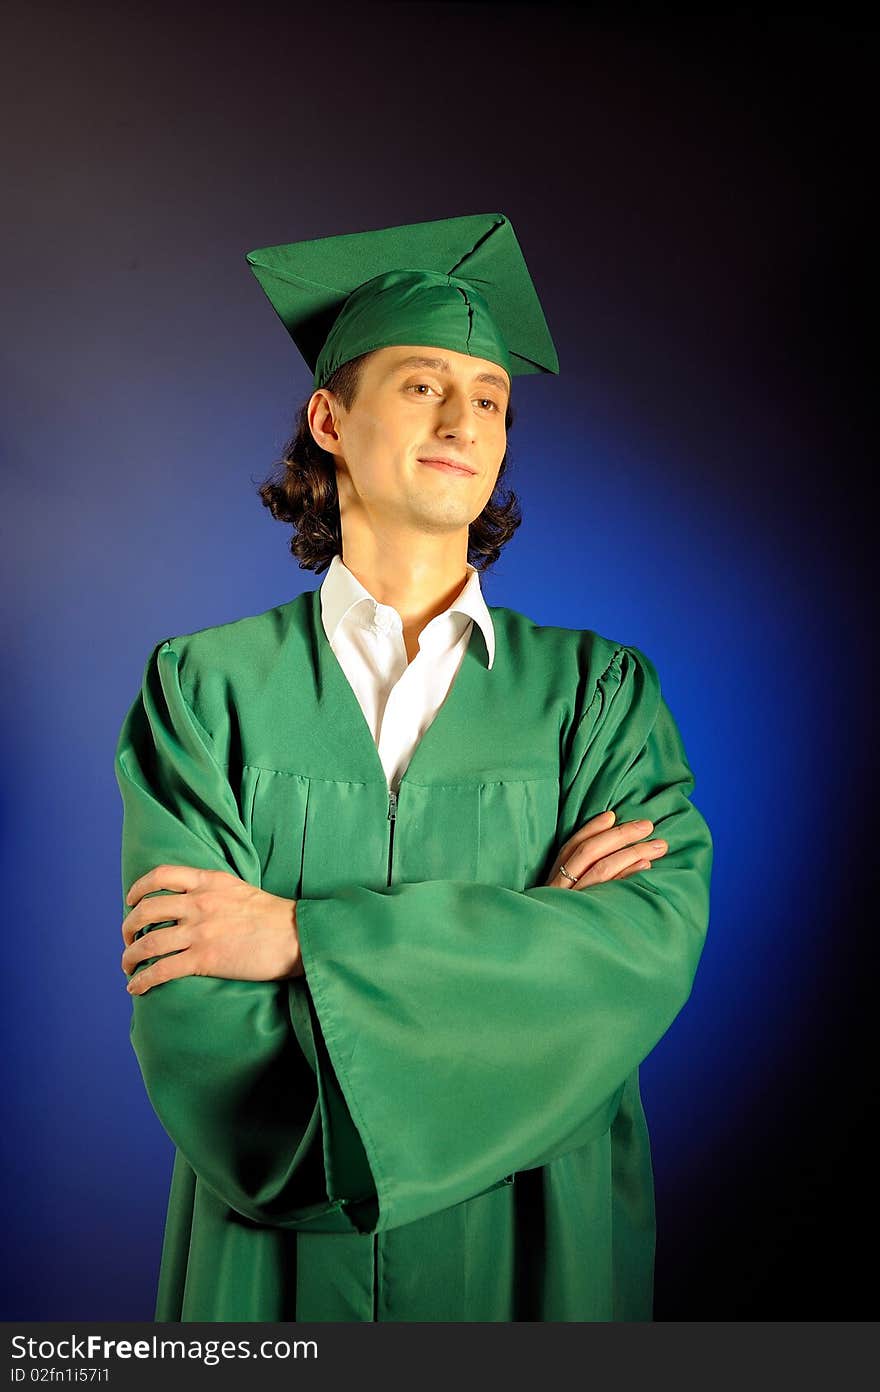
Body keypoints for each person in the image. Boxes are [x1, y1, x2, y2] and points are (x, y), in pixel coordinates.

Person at [114, 212, 714, 1322]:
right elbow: (191, 1015)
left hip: (541, 1254)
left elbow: (636, 958)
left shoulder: (598, 696)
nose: (465, 420)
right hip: (272, 1274)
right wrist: (529, 937)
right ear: (328, 419)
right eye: (423, 385)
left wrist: (302, 938)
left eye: (489, 400)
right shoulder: (206, 692)